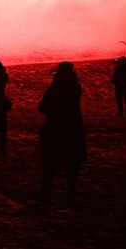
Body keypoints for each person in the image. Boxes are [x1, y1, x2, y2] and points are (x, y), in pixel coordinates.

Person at [38, 62, 86, 206]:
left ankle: (46, 194)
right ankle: (71, 193)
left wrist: (54, 83)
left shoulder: (56, 87)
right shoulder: (76, 87)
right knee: (72, 164)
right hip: (73, 128)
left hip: (56, 128)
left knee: (50, 164)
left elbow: (43, 107)